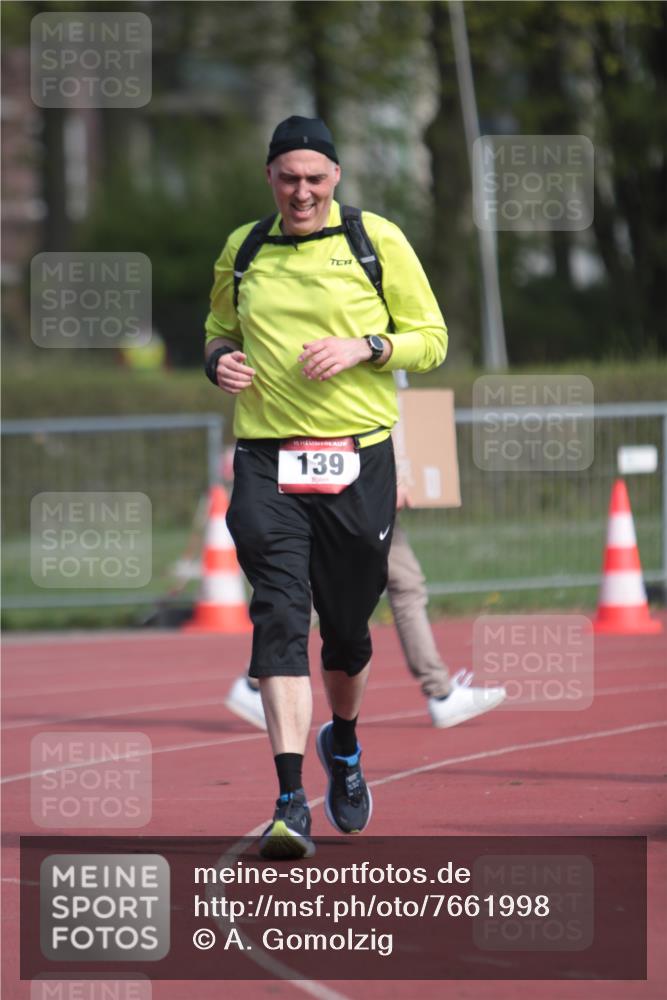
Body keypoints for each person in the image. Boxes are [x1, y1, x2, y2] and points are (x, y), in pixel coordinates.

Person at [205, 115, 447, 859]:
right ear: (269, 178)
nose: (302, 192)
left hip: (356, 462)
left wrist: (366, 347)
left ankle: (342, 742)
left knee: (345, 631)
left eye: (314, 178)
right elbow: (218, 330)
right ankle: (288, 801)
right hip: (266, 461)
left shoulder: (376, 242)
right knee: (279, 616)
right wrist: (218, 362)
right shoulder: (244, 248)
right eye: (288, 178)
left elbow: (431, 340)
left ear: (335, 177)